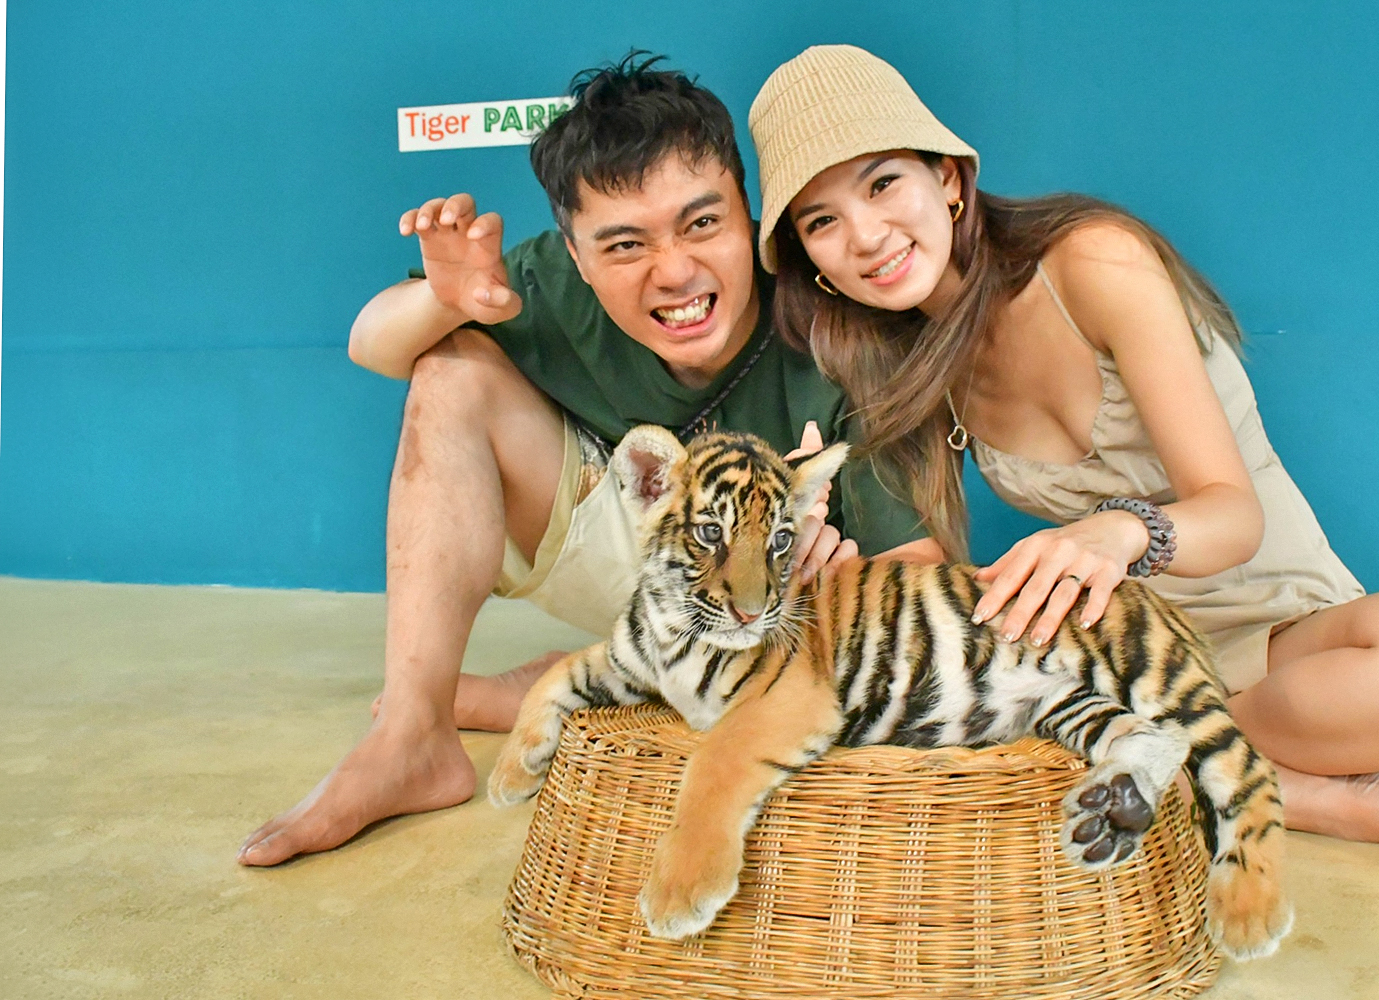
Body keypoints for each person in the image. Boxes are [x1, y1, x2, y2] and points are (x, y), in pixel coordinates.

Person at [747, 44, 1379, 877]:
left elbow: (1233, 515)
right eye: (821, 221)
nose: (866, 235)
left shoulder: (1093, 261)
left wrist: (1118, 531)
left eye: (883, 183)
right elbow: (930, 578)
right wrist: (810, 551)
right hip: (1121, 655)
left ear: (948, 178)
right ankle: (1329, 797)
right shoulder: (899, 366)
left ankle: (1200, 764)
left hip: (1284, 629)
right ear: (811, 261)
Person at [237, 53, 939, 868]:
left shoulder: (842, 324)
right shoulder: (549, 283)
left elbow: (921, 571)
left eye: (702, 224)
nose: (675, 271)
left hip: (771, 610)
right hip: (625, 548)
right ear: (574, 256)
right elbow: (372, 344)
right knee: (450, 368)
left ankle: (584, 678)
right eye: (626, 244)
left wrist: (837, 581)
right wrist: (441, 300)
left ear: (750, 216)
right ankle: (412, 737)